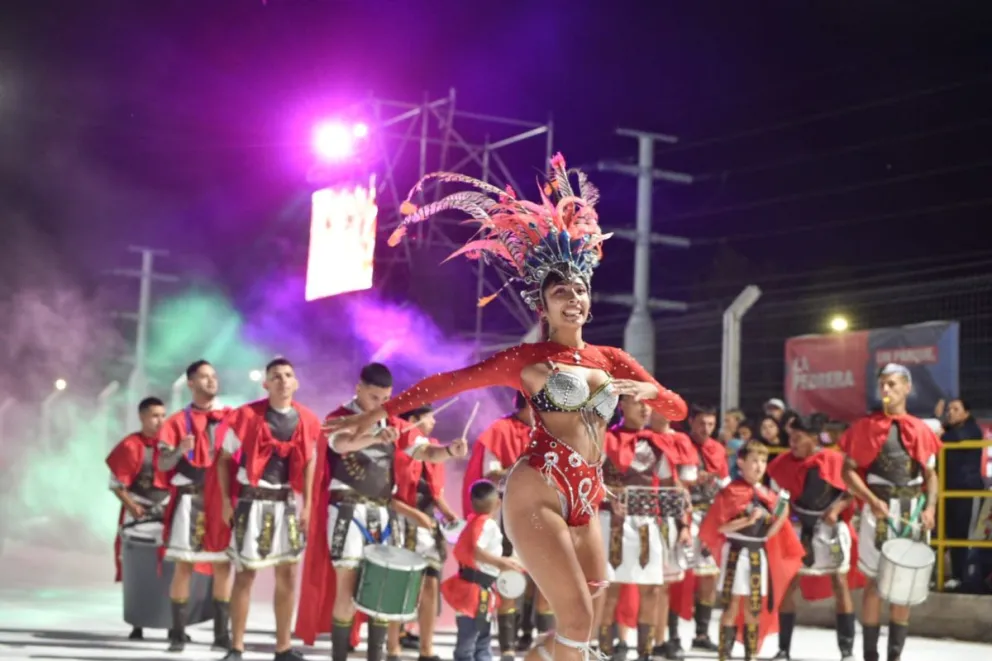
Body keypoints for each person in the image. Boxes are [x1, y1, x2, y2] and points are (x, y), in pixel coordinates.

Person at [327, 153, 688, 661]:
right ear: (542, 305)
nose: (573, 298)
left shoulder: (613, 360)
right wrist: (377, 414)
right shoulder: (527, 360)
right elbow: (447, 382)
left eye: (579, 289)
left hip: (586, 495)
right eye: (560, 291)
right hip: (537, 489)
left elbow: (678, 412)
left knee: (587, 615)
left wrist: (654, 395)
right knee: (578, 618)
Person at [213, 358, 321, 661]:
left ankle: (283, 647)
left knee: (287, 576)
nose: (283, 380)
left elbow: (310, 462)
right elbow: (223, 457)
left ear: (295, 383)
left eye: (288, 375)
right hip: (252, 501)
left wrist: (308, 504)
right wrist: (225, 501)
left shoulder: (307, 420)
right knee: (245, 575)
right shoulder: (247, 416)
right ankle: (236, 647)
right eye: (276, 376)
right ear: (266, 383)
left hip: (285, 503)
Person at [295, 362, 404, 661]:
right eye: (373, 398)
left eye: (385, 399)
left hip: (382, 512)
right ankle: (340, 656)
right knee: (347, 583)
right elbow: (341, 444)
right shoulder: (339, 417)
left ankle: (376, 656)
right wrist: (374, 437)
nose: (380, 405)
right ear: (358, 389)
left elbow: (420, 449)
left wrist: (448, 452)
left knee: (381, 584)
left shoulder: (391, 422)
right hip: (347, 510)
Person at [838, 363, 941, 661]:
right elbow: (848, 473)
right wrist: (870, 499)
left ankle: (894, 656)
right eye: (882, 384)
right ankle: (870, 655)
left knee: (904, 586)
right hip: (879, 511)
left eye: (893, 384)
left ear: (907, 388)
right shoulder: (864, 428)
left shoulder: (921, 429)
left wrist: (931, 507)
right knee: (875, 582)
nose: (886, 390)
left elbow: (930, 474)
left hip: (913, 512)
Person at [597, 396, 688, 661]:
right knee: (611, 588)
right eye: (637, 402)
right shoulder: (605, 438)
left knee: (653, 589)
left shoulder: (656, 442)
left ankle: (645, 654)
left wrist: (683, 519)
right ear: (621, 405)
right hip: (614, 524)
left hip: (649, 523)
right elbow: (590, 480)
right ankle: (605, 651)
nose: (645, 408)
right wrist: (609, 498)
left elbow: (671, 484)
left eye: (647, 403)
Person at [767, 414, 863, 661]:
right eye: (791, 438)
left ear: (812, 439)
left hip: (830, 528)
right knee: (789, 586)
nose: (792, 443)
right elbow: (779, 498)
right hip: (799, 528)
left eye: (798, 438)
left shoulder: (833, 459)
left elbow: (852, 491)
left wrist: (837, 510)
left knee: (840, 585)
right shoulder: (782, 463)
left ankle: (847, 651)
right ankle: (783, 649)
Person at [699, 440, 803, 661]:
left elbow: (770, 533)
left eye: (763, 461)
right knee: (731, 604)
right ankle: (724, 655)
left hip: (758, 555)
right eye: (754, 460)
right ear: (741, 462)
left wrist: (782, 516)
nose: (759, 466)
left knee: (754, 608)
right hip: (735, 553)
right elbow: (720, 527)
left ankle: (750, 655)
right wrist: (747, 520)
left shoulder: (768, 494)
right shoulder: (731, 492)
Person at [157, 359, 234, 652]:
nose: (211, 381)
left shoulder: (231, 418)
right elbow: (162, 462)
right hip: (190, 499)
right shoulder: (176, 421)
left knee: (224, 565)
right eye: (204, 377)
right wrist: (179, 450)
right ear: (191, 383)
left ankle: (221, 635)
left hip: (220, 500)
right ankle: (177, 633)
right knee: (184, 566)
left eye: (214, 376)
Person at [461, 392, 545, 653]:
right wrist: (524, 470)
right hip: (509, 512)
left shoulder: (548, 434)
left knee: (538, 576)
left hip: (542, 513)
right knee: (510, 573)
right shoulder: (500, 430)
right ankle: (507, 647)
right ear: (523, 405)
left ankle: (529, 632)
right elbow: (491, 474)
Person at [387, 403, 468, 661]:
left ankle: (426, 649)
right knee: (399, 586)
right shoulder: (397, 448)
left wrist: (449, 513)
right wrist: (416, 516)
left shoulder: (432, 447)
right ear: (413, 419)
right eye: (429, 416)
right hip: (402, 522)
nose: (434, 421)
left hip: (429, 527)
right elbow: (386, 496)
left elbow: (436, 493)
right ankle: (392, 648)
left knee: (431, 583)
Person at [107, 396, 172, 640]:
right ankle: (137, 623)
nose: (160, 421)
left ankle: (172, 625)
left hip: (166, 513)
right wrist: (132, 506)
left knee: (170, 571)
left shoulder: (170, 446)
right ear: (142, 417)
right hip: (139, 514)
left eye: (163, 415)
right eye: (155, 415)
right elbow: (116, 485)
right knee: (138, 572)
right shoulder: (130, 445)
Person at [666, 404, 729, 655]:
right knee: (676, 575)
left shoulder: (719, 449)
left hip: (710, 518)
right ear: (691, 421)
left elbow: (724, 482)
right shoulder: (680, 443)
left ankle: (701, 633)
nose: (706, 429)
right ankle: (671, 634)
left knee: (709, 576)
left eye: (711, 424)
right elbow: (674, 480)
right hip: (684, 515)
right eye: (702, 423)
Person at [442, 479, 525, 661]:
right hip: (474, 592)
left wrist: (507, 561)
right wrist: (501, 563)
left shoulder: (473, 523)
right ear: (498, 503)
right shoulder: (486, 525)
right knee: (470, 643)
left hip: (476, 590)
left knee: (480, 640)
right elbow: (477, 552)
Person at [645, 414, 694, 660]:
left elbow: (680, 488)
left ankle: (661, 639)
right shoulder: (638, 438)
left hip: (667, 520)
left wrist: (684, 523)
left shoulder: (680, 441)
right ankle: (616, 643)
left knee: (663, 586)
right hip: (638, 518)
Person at [935, 397, 985, 590]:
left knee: (967, 536)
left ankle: (971, 577)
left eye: (956, 409)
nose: (951, 412)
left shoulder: (972, 430)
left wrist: (939, 425)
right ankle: (956, 576)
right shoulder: (948, 431)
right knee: (952, 535)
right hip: (948, 492)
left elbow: (953, 437)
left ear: (967, 412)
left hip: (968, 492)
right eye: (949, 409)